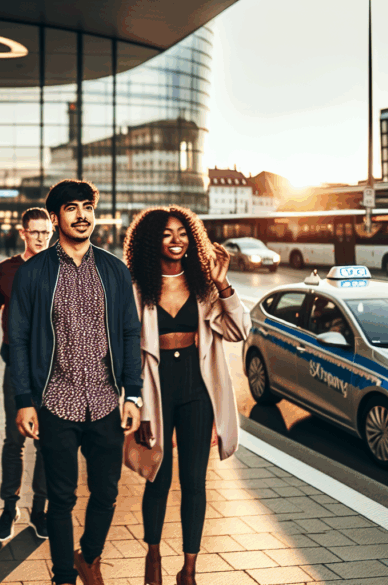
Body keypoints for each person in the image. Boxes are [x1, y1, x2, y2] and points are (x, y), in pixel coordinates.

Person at [9, 180, 142, 585]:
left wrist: (132, 394)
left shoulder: (115, 270)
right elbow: (17, 338)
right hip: (56, 402)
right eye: (71, 208)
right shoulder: (33, 273)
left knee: (106, 493)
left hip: (105, 402)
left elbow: (129, 333)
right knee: (61, 499)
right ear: (55, 217)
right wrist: (24, 400)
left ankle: (90, 556)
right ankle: (65, 575)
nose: (82, 214)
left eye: (87, 207)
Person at [123, 206, 249, 585]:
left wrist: (223, 282)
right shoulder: (135, 287)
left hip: (197, 388)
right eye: (166, 234)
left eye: (182, 233)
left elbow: (238, 330)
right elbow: (125, 352)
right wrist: (136, 406)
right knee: (156, 476)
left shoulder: (205, 286)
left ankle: (189, 569)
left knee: (195, 481)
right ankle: (153, 556)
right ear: (150, 242)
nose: (176, 240)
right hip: (155, 389)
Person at [0, 207, 53, 542]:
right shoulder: (5, 270)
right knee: (14, 439)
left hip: (53, 369)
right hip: (16, 366)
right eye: (35, 231)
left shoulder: (61, 268)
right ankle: (9, 507)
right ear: (22, 232)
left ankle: (39, 511)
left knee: (46, 441)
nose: (41, 237)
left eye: (46, 231)